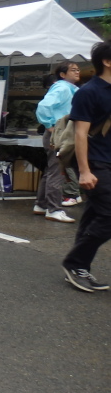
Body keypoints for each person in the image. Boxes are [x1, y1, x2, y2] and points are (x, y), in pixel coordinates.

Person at [61, 41, 111, 293]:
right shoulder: (88, 92)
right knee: (109, 214)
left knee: (94, 214)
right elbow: (80, 134)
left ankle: (79, 267)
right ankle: (74, 263)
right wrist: (84, 171)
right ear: (107, 62)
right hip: (95, 161)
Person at [33, 61, 81, 222]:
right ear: (62, 74)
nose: (77, 72)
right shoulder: (62, 88)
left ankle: (41, 204)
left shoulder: (69, 88)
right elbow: (43, 106)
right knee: (58, 171)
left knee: (52, 169)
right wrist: (50, 125)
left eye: (78, 69)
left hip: (61, 132)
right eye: (73, 70)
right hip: (60, 133)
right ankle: (53, 209)